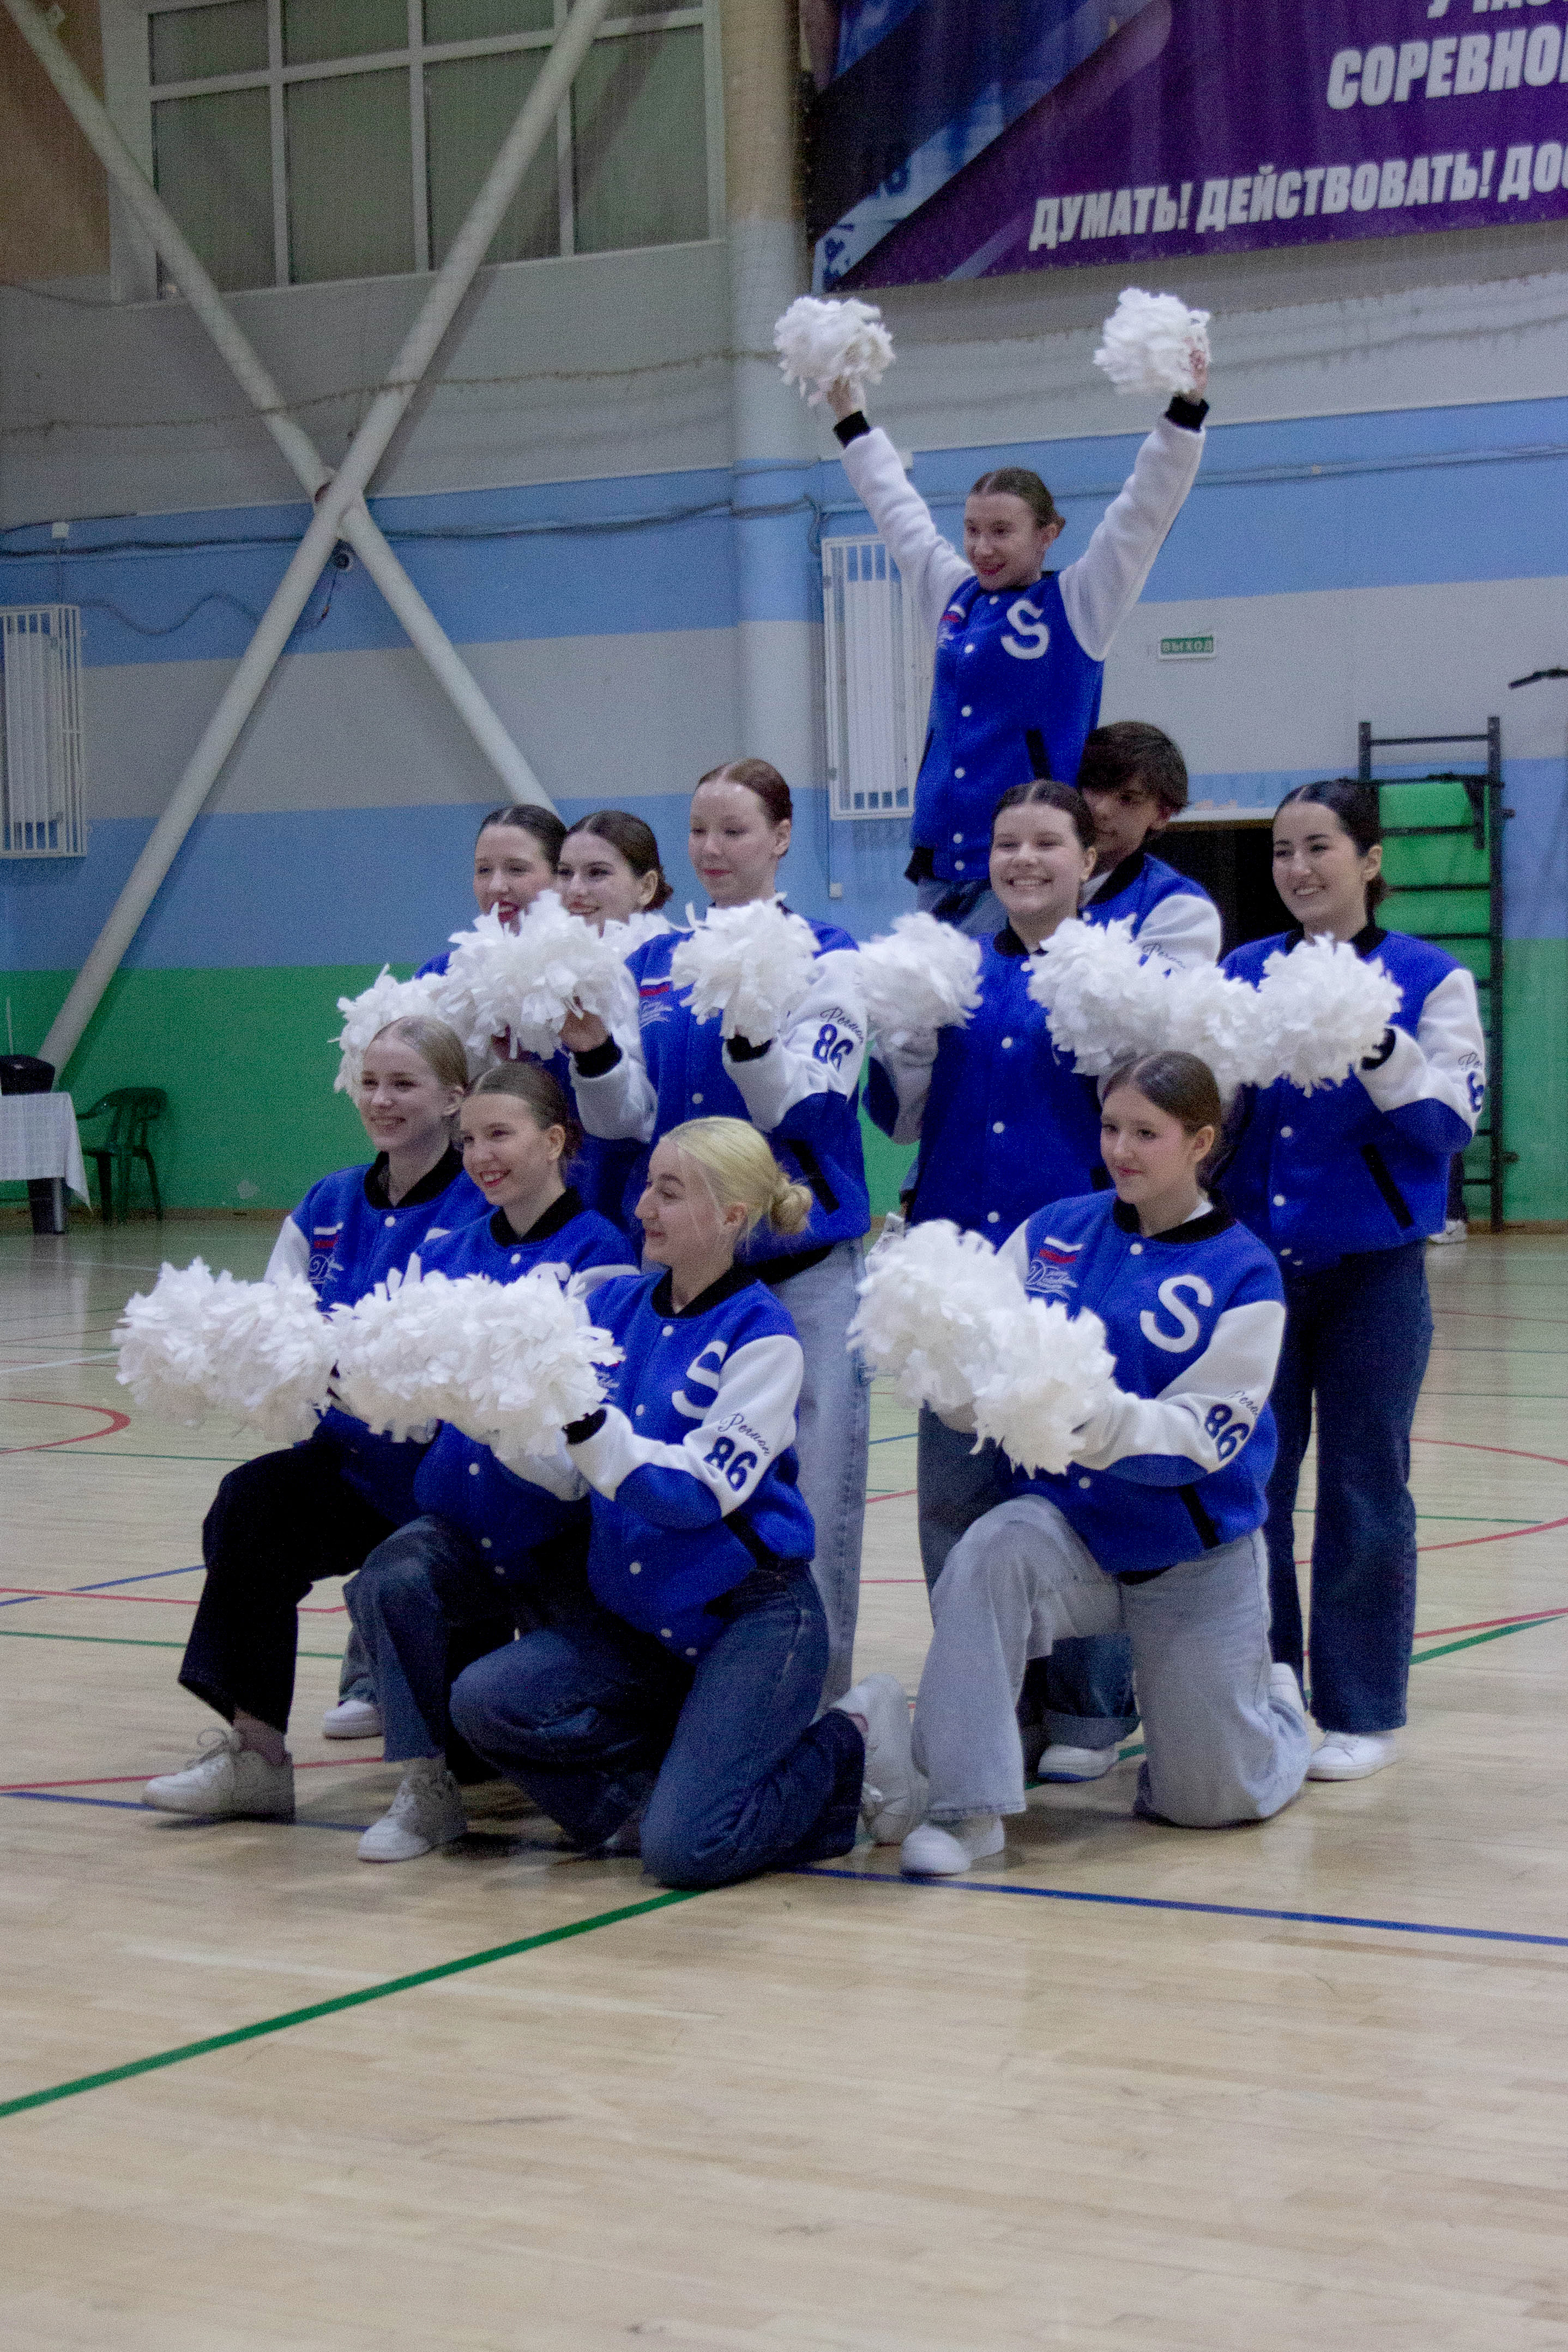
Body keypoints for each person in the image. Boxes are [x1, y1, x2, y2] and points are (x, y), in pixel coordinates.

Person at [450, 1118, 919, 1887]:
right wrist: (490, 1414)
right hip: (642, 1623)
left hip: (751, 1618)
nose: (642, 1207)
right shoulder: (613, 1307)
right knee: (486, 1699)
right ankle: (656, 1810)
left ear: (731, 1214)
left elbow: (696, 1492)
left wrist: (586, 1425)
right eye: (647, 1186)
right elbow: (568, 1475)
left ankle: (852, 1741)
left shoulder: (766, 1336)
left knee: (685, 1855)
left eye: (668, 1192)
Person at [901, 1051, 1311, 1877]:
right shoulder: (1052, 1231)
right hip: (1069, 1534)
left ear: (1200, 1142)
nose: (1121, 1150)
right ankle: (964, 1809)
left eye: (1145, 1134)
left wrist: (1088, 1417)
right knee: (988, 1551)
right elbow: (983, 1373)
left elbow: (1201, 1439)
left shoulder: (1245, 1271)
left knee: (1207, 1804)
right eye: (1110, 1127)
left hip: (1189, 1554)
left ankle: (1279, 1712)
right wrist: (951, 1383)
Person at [559, 759, 871, 1704]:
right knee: (672, 1472)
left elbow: (808, 1106)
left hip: (798, 1266)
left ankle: (816, 1705)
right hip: (685, 1280)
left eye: (734, 830)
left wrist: (751, 1034)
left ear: (781, 837)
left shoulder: (829, 955)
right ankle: (684, 1696)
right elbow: (625, 1118)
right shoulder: (651, 962)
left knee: (813, 1492)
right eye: (698, 830)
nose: (712, 848)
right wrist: (593, 1052)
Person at [142, 1017, 485, 1819]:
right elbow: (276, 1330)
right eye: (370, 1083)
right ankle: (256, 1756)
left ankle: (438, 1753)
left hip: (453, 1487)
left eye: (403, 1084)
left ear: (453, 1098)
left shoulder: (483, 1201)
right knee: (251, 1504)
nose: (381, 1100)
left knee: (478, 1758)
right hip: (353, 1470)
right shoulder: (327, 1203)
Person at [867, 777, 1138, 1779]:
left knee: (1078, 1485)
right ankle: (987, 1706)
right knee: (956, 1497)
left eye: (1046, 842)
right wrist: (900, 1047)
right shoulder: (953, 972)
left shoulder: (1116, 973)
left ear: (1088, 859)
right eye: (1006, 843)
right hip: (956, 1272)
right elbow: (900, 1120)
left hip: (1074, 1269)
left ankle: (1090, 1708)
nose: (1023, 860)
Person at [1220, 778, 1487, 1781]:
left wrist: (1376, 1042)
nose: (1297, 868)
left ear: (1369, 860)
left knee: (1365, 1485)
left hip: (1374, 1273)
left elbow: (1447, 1126)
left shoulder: (1431, 978)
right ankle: (1264, 1685)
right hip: (1256, 1272)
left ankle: (1362, 1704)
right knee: (1253, 1482)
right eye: (1282, 850)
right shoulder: (1244, 971)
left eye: (1319, 847)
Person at [343, 1062, 635, 1862]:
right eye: (469, 1139)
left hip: (559, 1532)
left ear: (555, 1140)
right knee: (390, 1574)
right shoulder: (452, 1250)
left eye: (499, 1135)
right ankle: (426, 1784)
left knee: (561, 1718)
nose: (479, 1156)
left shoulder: (601, 1250)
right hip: (461, 1520)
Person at [827, 364, 1207, 934]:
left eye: (1001, 531)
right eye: (971, 530)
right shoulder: (952, 595)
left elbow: (1142, 514)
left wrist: (1185, 412)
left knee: (1002, 986)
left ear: (1048, 534)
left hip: (1020, 862)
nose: (982, 547)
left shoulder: (1079, 603)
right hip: (935, 862)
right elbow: (897, 511)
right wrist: (851, 420)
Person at [1076, 720, 1221, 967]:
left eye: (1127, 798)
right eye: (1094, 787)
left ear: (1163, 814)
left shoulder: (1180, 905)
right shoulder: (1022, 879)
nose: (1101, 810)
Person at [415, 801, 567, 978]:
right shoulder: (440, 974)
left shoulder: (590, 972)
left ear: (561, 876)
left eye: (516, 869)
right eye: (484, 870)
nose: (496, 887)